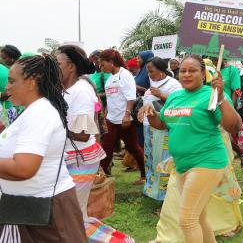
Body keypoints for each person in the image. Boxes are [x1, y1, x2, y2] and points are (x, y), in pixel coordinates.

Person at [140, 55, 241, 243]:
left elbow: (234, 126)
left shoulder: (211, 94)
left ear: (203, 73)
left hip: (207, 162)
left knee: (187, 220)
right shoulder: (176, 96)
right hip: (182, 164)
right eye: (183, 71)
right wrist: (151, 113)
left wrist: (220, 98)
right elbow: (163, 123)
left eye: (192, 70)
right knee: (199, 217)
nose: (186, 74)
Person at [0, 55, 87, 242]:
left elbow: (24, 168)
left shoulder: (40, 114)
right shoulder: (32, 111)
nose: (7, 87)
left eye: (12, 81)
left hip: (47, 212)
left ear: (31, 82)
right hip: (28, 208)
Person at [56, 46, 107, 221]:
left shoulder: (81, 90)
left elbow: (83, 134)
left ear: (71, 67)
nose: (54, 68)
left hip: (81, 159)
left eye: (58, 63)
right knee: (70, 214)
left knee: (73, 214)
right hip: (71, 156)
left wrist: (52, 128)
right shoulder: (65, 89)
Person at [98, 49, 146, 184]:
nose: (101, 68)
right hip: (111, 119)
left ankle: (144, 175)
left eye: (103, 64)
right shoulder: (110, 78)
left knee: (133, 148)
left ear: (111, 62)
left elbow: (131, 97)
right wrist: (106, 116)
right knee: (106, 147)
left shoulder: (125, 75)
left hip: (125, 120)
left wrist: (127, 115)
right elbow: (110, 99)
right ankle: (102, 175)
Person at [141, 57, 182, 201]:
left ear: (160, 69)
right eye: (148, 71)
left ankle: (164, 195)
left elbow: (178, 104)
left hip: (163, 128)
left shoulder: (173, 84)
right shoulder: (153, 83)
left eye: (151, 71)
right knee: (150, 160)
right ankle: (151, 189)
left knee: (163, 161)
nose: (149, 74)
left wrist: (161, 95)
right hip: (148, 126)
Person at [212, 57, 243, 169]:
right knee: (222, 133)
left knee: (226, 132)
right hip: (214, 106)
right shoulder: (214, 72)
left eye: (216, 58)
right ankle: (240, 154)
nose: (215, 61)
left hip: (227, 104)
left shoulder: (232, 70)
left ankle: (240, 154)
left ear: (224, 58)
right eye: (213, 59)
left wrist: (231, 107)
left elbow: (236, 90)